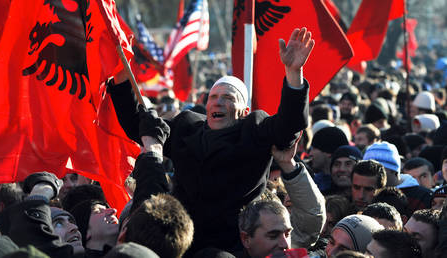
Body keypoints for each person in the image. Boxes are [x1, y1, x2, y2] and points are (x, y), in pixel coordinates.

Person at [110, 27, 314, 253]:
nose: (217, 102)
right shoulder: (187, 127)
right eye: (213, 97)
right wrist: (120, 78)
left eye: (228, 98)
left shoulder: (254, 128)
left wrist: (294, 73)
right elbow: (139, 127)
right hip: (182, 242)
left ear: (244, 110)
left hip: (234, 245)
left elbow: (290, 126)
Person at [363, 142, 433, 214]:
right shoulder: (362, 192)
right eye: (366, 170)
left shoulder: (423, 197)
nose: (370, 175)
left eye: (378, 170)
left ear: (394, 170)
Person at [310, 127, 349, 193]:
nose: (310, 153)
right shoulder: (313, 181)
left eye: (314, 148)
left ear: (328, 152)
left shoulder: (350, 185)